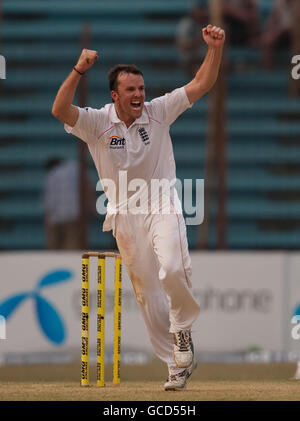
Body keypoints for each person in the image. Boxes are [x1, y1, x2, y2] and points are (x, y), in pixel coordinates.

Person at [52, 24, 225, 391]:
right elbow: (59, 109)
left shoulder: (158, 111)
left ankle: (182, 332)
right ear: (114, 95)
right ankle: (175, 365)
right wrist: (79, 69)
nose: (139, 95)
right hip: (123, 217)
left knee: (174, 269)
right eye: (131, 90)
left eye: (142, 89)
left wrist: (214, 49)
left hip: (162, 203)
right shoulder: (98, 121)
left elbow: (201, 85)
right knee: (148, 298)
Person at [44, 158, 94, 249]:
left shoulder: (51, 175)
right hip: (74, 214)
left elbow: (49, 200)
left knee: (54, 247)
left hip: (55, 216)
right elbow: (87, 187)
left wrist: (48, 219)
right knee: (72, 244)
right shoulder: (75, 168)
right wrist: (91, 206)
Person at [261, 0, 294, 70]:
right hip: (280, 34)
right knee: (267, 40)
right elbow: (271, 22)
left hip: (294, 35)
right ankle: (267, 72)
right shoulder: (278, 3)